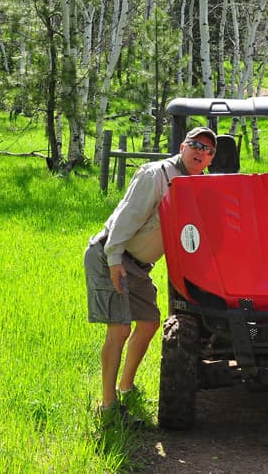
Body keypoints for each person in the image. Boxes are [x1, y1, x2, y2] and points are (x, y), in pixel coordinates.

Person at [84, 126, 217, 427]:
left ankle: (126, 387)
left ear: (211, 159)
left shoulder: (200, 186)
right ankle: (107, 406)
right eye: (196, 145)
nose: (200, 152)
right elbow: (126, 217)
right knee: (119, 329)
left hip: (141, 265)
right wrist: (115, 259)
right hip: (112, 255)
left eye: (208, 150)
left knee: (149, 323)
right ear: (183, 146)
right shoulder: (155, 175)